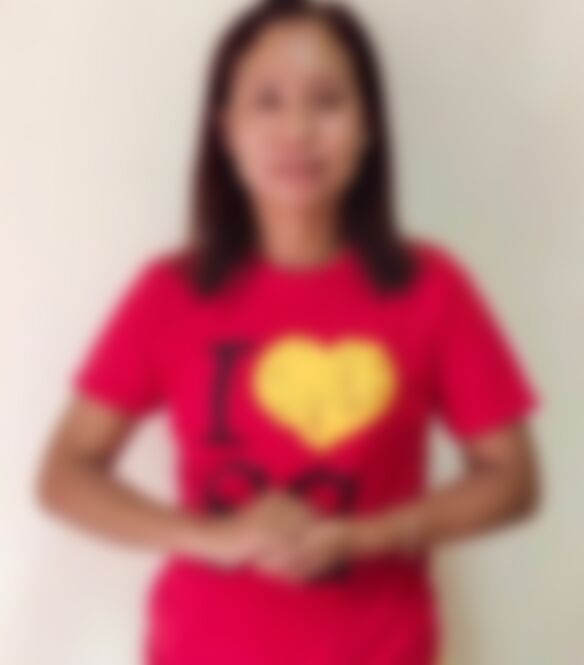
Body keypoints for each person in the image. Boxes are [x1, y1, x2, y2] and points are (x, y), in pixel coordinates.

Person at [37, 1, 542, 663]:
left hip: (380, 649)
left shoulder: (431, 287)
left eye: (327, 101)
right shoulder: (171, 292)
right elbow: (66, 471)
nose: (297, 130)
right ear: (227, 129)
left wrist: (365, 536)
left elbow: (512, 478)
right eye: (268, 101)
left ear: (368, 125)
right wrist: (214, 538)